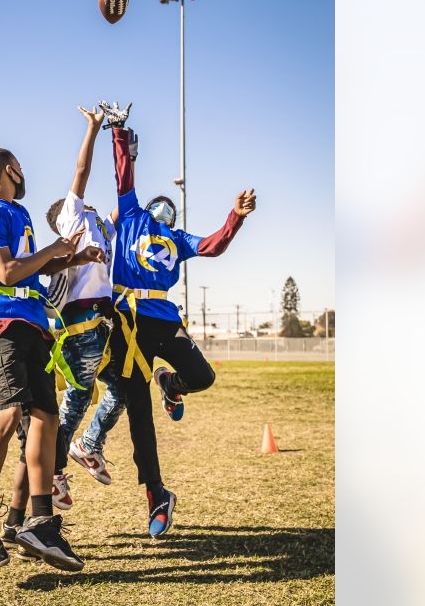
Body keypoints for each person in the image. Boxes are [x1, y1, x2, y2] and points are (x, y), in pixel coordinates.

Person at [101, 108, 257, 537]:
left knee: (202, 376)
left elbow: (212, 246)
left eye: (171, 208)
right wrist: (118, 133)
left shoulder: (179, 238)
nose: (164, 208)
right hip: (127, 323)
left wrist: (235, 218)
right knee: (139, 417)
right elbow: (123, 176)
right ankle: (156, 493)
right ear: (149, 207)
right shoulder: (131, 217)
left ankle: (172, 384)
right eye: (160, 204)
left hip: (163, 319)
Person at [0, 146, 102, 571]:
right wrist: (52, 250)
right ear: (9, 170)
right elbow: (6, 273)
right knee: (9, 415)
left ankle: (40, 522)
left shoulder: (19, 214)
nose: (24, 173)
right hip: (1, 322)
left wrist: (73, 257)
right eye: (19, 167)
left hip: (34, 323)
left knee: (47, 417)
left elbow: (31, 268)